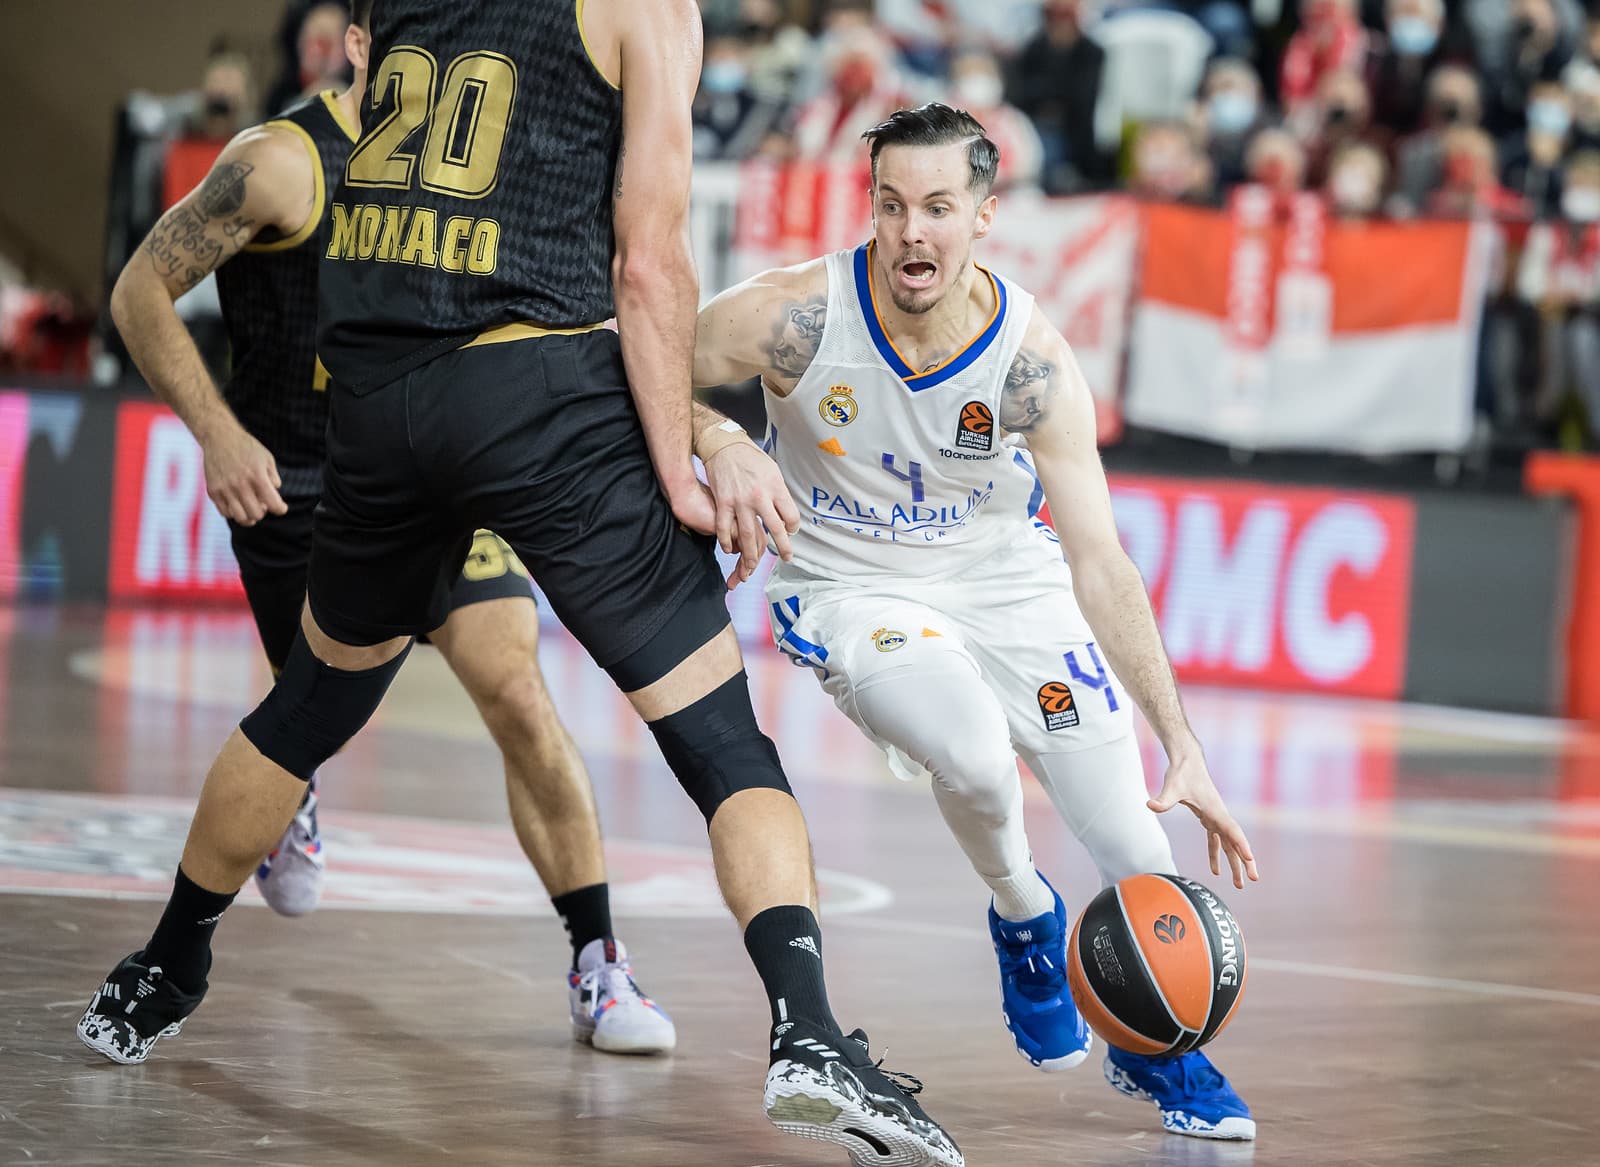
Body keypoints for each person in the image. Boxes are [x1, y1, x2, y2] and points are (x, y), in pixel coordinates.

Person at [78, 3, 962, 1164]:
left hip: (377, 407)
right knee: (721, 742)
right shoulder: (642, 10)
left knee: (310, 702)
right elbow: (647, 261)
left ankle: (164, 966)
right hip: (530, 387)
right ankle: (809, 1035)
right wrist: (683, 455)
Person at [101, 4, 676, 1058]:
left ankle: (599, 959)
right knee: (305, 719)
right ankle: (197, 925)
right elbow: (140, 288)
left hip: (448, 478)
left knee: (515, 687)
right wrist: (218, 435)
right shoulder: (280, 163)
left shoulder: (495, 151)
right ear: (367, 48)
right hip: (306, 487)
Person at [690, 103, 1260, 1141]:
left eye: (939, 208)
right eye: (893, 204)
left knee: (1142, 852)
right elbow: (635, 359)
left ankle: (1156, 1040)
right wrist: (714, 436)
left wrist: (1180, 738)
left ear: (985, 216)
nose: (913, 232)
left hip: (1007, 582)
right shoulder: (788, 316)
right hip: (852, 586)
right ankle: (1022, 914)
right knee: (977, 757)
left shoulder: (1031, 361)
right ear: (869, 205)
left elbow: (1097, 557)